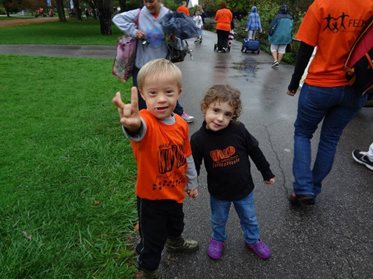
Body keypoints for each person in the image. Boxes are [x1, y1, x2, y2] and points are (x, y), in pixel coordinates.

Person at [112, 59, 199, 279]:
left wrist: (193, 182)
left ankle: (175, 242)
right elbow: (138, 130)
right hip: (151, 199)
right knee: (151, 239)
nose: (161, 99)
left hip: (175, 193)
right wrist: (131, 124)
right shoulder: (145, 121)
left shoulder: (180, 123)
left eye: (168, 92)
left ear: (179, 92)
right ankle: (148, 270)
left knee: (176, 223)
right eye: (152, 93)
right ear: (142, 94)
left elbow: (186, 155)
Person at [286, 0, 371, 205]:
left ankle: (304, 188)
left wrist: (294, 83)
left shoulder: (323, 4)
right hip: (356, 87)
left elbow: (305, 48)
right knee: (330, 139)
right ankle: (313, 189)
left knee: (303, 133)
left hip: (320, 85)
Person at [191, 84, 275, 261]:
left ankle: (252, 240)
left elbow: (255, 151)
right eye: (216, 110)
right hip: (219, 192)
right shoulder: (198, 139)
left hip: (244, 189)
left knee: (249, 218)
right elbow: (194, 164)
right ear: (205, 107)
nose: (220, 118)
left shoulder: (239, 130)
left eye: (227, 114)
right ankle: (217, 239)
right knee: (218, 219)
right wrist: (192, 184)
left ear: (233, 116)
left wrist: (266, 172)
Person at [112, 0, 195, 123]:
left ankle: (178, 112)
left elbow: (179, 41)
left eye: (151, 1)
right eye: (145, 1)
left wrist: (172, 38)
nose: (148, 4)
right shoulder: (139, 13)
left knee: (167, 91)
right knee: (142, 93)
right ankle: (143, 119)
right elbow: (117, 18)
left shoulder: (169, 15)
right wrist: (134, 32)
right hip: (142, 63)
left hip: (162, 63)